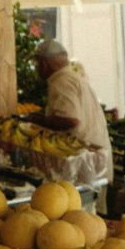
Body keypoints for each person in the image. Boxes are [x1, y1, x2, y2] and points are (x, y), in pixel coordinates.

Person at [27, 39, 113, 186]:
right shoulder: (72, 78)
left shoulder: (62, 82)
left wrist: (39, 121)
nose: (37, 68)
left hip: (84, 161)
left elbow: (71, 120)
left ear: (44, 64)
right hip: (95, 158)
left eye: (37, 64)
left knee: (79, 206)